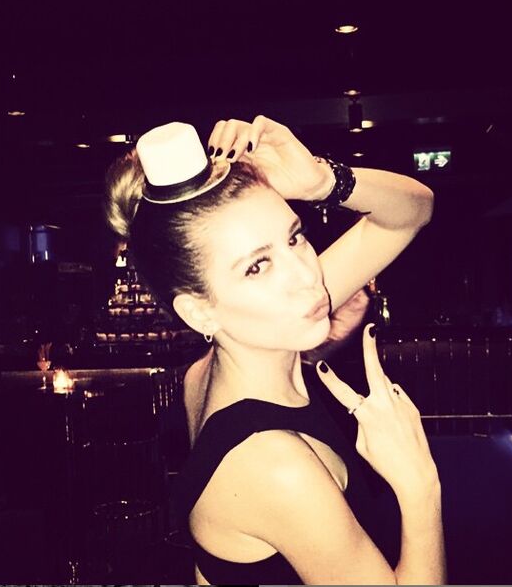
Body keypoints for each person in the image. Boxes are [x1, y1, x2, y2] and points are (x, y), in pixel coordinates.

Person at [104, 115, 445, 584]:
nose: (307, 276)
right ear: (199, 313)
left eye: (294, 237)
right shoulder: (277, 466)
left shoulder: (214, 366)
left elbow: (412, 212)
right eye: (257, 267)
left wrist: (322, 180)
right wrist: (419, 485)